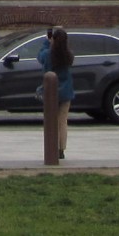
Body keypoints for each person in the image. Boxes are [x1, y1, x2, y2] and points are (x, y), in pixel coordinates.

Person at [37, 26, 74, 156]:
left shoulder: (48, 54)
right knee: (62, 121)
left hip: (51, 92)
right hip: (66, 91)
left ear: (53, 39)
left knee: (51, 121)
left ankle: (52, 147)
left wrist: (46, 42)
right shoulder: (68, 54)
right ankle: (61, 149)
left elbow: (40, 57)